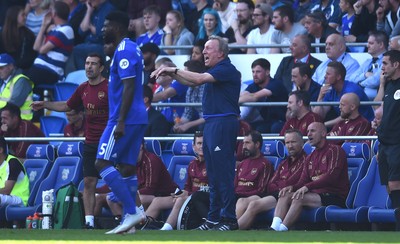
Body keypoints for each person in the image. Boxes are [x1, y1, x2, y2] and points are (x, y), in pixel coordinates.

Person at [152, 35, 241, 231]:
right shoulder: (214, 70)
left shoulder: (226, 69)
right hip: (211, 123)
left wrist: (173, 69)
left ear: (221, 53)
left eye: (209, 48)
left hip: (223, 122)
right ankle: (213, 218)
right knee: (214, 174)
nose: (204, 52)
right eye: (204, 49)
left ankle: (229, 220)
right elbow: (193, 83)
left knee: (223, 173)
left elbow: (198, 78)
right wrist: (172, 74)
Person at [31, 53, 108, 229]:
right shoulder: (83, 88)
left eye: (93, 64)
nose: (89, 67)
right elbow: (67, 105)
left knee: (115, 180)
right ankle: (89, 222)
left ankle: (128, 216)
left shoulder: (110, 88)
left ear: (101, 68)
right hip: (90, 142)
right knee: (89, 182)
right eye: (87, 63)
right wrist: (45, 104)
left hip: (108, 142)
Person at [94, 10, 147, 234]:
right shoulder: (131, 48)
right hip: (137, 117)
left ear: (116, 27)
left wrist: (121, 120)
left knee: (101, 163)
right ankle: (129, 221)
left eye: (106, 25)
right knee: (126, 168)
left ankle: (133, 210)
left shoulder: (124, 50)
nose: (103, 29)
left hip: (123, 118)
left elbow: (128, 86)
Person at [270, 122, 349, 231]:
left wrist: (308, 187)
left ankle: (282, 229)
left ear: (323, 133)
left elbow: (332, 177)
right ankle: (274, 228)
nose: (309, 134)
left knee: (299, 197)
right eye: (307, 131)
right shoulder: (310, 157)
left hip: (334, 195)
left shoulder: (335, 150)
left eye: (312, 131)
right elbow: (303, 180)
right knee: (285, 195)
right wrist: (292, 187)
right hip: (315, 195)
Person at [237, 129, 307, 230]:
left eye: (293, 142)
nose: (290, 146)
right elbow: (270, 185)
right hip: (276, 195)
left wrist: (280, 184)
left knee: (254, 204)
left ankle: (234, 229)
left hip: (291, 196)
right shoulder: (284, 162)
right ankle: (233, 227)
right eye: (287, 142)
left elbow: (294, 181)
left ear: (302, 143)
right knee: (244, 201)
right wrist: (281, 186)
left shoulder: (306, 160)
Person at [149, 132, 208, 231]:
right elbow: (187, 189)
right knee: (157, 200)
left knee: (180, 200)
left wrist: (184, 196)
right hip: (188, 197)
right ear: (193, 147)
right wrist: (179, 194)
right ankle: (142, 224)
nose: (201, 146)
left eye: (204, 143)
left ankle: (166, 228)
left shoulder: (212, 164)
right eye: (199, 143)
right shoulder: (192, 164)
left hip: (202, 199)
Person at [25, 1, 74, 96]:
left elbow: (42, 50)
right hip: (39, 68)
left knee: (23, 82)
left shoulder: (66, 29)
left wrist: (47, 31)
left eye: (50, 10)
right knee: (20, 79)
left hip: (51, 71)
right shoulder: (54, 28)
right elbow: (36, 47)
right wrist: (43, 26)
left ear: (54, 13)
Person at [376, 49, 400, 231]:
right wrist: (382, 85)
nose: (381, 67)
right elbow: (378, 109)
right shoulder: (389, 85)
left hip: (397, 142)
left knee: (395, 183)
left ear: (396, 64)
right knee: (389, 187)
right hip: (384, 144)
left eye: (385, 63)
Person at [313, 61, 374, 127]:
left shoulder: (351, 90)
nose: (325, 76)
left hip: (365, 126)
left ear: (338, 77)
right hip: (348, 125)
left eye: (328, 74)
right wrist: (320, 97)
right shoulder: (330, 89)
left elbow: (345, 116)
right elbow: (319, 116)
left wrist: (324, 125)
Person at [239, 58, 288, 133]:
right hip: (266, 121)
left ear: (267, 72)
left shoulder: (276, 84)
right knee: (250, 128)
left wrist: (234, 101)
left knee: (274, 128)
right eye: (253, 72)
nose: (255, 75)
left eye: (258, 72)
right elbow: (243, 95)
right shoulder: (253, 86)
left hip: (281, 120)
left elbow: (255, 96)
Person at [234, 130, 274, 221]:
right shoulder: (242, 163)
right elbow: (234, 185)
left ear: (257, 144)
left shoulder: (265, 164)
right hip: (236, 195)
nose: (244, 147)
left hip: (253, 198)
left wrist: (239, 194)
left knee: (241, 200)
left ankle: (232, 225)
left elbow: (261, 190)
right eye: (243, 143)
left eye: (247, 143)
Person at [71, 0, 115, 70]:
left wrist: (90, 26)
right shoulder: (92, 9)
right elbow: (82, 31)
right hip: (88, 43)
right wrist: (89, 12)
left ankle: (85, 76)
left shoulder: (108, 9)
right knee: (76, 49)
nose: (88, 1)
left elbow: (100, 32)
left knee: (77, 49)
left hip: (100, 45)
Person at [349, 30, 388, 100]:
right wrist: (364, 75)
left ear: (381, 45)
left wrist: (360, 84)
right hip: (361, 98)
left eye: (371, 43)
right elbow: (351, 79)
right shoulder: (367, 62)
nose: (367, 45)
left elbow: (375, 81)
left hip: (378, 100)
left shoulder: (387, 61)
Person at [173, 60, 206, 134]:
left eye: (185, 73)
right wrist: (179, 124)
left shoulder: (205, 87)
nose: (182, 76)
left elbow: (208, 115)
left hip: (212, 121)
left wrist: (187, 125)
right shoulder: (190, 88)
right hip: (201, 121)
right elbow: (188, 113)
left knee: (201, 127)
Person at [0, 5, 36, 70]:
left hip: (21, 70)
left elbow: (30, 56)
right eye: (23, 15)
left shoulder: (28, 35)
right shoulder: (2, 34)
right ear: (14, 16)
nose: (25, 17)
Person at [0, 53, 34, 121]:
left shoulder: (21, 81)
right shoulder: (3, 82)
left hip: (21, 122)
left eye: (1, 68)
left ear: (11, 67)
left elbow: (14, 104)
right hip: (6, 120)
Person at [0, 136, 29, 209]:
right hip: (3, 197)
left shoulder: (12, 162)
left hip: (19, 199)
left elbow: (7, 190)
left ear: (0, 150)